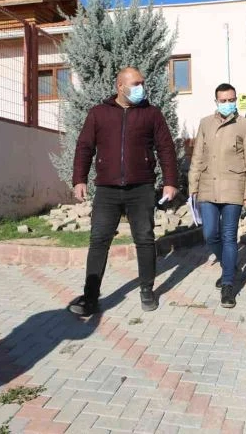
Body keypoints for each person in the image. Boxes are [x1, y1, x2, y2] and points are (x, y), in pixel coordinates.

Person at [68, 67, 178, 317]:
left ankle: (147, 290)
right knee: (98, 241)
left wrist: (170, 181)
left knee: (145, 239)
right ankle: (90, 297)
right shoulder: (99, 113)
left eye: (142, 83)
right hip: (106, 190)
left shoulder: (151, 114)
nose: (141, 87)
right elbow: (84, 147)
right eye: (136, 83)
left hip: (141, 188)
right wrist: (79, 179)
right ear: (120, 86)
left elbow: (166, 148)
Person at [188, 83, 246, 308]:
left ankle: (228, 284)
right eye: (223, 100)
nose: (227, 104)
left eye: (231, 100)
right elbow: (197, 156)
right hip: (207, 187)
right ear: (216, 101)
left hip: (234, 188)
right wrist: (193, 186)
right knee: (210, 234)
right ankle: (230, 265)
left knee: (229, 236)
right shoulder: (205, 123)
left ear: (236, 100)